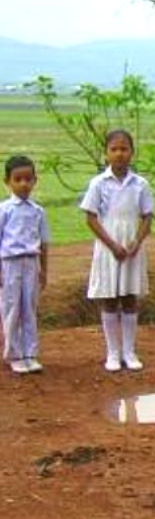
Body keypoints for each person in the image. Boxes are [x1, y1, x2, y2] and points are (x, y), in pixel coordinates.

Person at [80, 129, 154, 372]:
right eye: (114, 149)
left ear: (132, 152)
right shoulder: (98, 183)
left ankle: (130, 351)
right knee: (110, 298)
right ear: (106, 153)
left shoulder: (140, 184)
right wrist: (112, 245)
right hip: (108, 246)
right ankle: (112, 352)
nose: (119, 154)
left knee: (129, 297)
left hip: (132, 246)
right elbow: (90, 218)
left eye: (124, 149)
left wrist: (135, 243)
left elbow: (146, 218)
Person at [1, 155, 49, 374]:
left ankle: (30, 353)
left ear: (35, 180)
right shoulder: (4, 210)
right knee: (12, 308)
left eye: (28, 179)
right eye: (18, 179)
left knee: (29, 307)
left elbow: (44, 242)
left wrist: (44, 270)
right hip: (10, 263)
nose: (23, 184)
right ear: (7, 181)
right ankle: (14, 353)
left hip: (31, 262)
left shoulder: (38, 211)